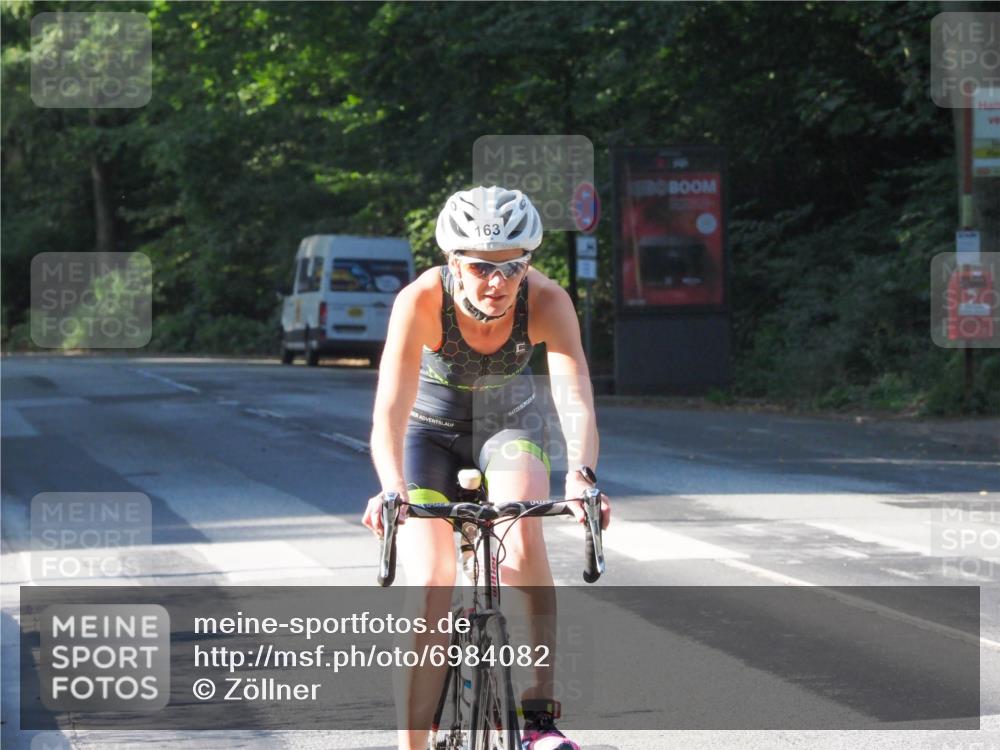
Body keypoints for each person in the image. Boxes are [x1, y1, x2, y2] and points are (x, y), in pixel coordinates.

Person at [363, 185, 611, 750]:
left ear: (528, 263)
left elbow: (576, 400)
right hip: (429, 435)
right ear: (454, 261)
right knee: (431, 581)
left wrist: (582, 477)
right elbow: (390, 412)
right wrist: (391, 488)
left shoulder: (547, 300)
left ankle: (540, 719)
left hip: (510, 427)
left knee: (523, 542)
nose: (497, 283)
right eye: (480, 267)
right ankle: (413, 744)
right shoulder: (421, 300)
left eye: (512, 267)